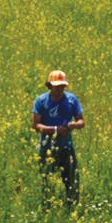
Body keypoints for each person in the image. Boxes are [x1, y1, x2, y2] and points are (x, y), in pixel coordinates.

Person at [32, 70, 84, 209]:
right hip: (46, 148)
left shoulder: (72, 99)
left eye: (62, 86)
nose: (60, 89)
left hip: (66, 148)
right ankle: (47, 209)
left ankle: (72, 209)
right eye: (57, 86)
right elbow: (36, 125)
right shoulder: (40, 101)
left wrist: (74, 125)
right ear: (49, 86)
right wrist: (56, 130)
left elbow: (81, 121)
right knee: (47, 182)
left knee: (72, 181)